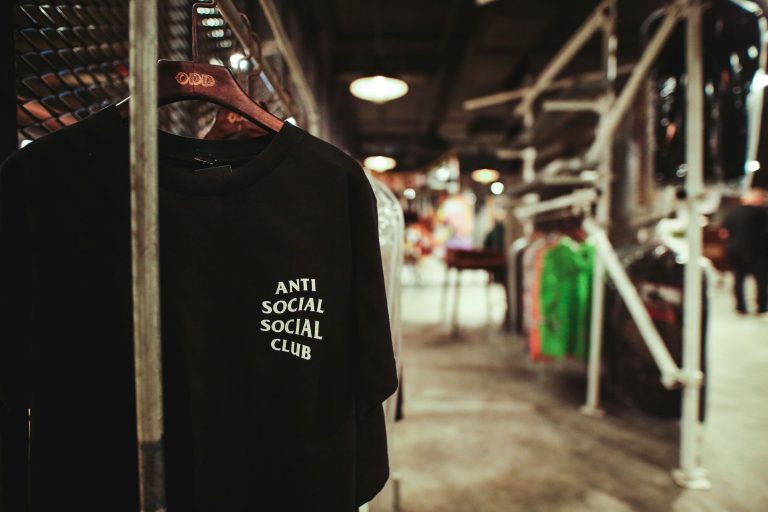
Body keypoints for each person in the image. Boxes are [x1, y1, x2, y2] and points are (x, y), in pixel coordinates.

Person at [721, 188, 768, 314]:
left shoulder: (732, 213)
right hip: (757, 251)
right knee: (761, 280)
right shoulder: (762, 213)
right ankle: (762, 306)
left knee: (738, 279)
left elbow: (724, 232)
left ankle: (740, 306)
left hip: (734, 250)